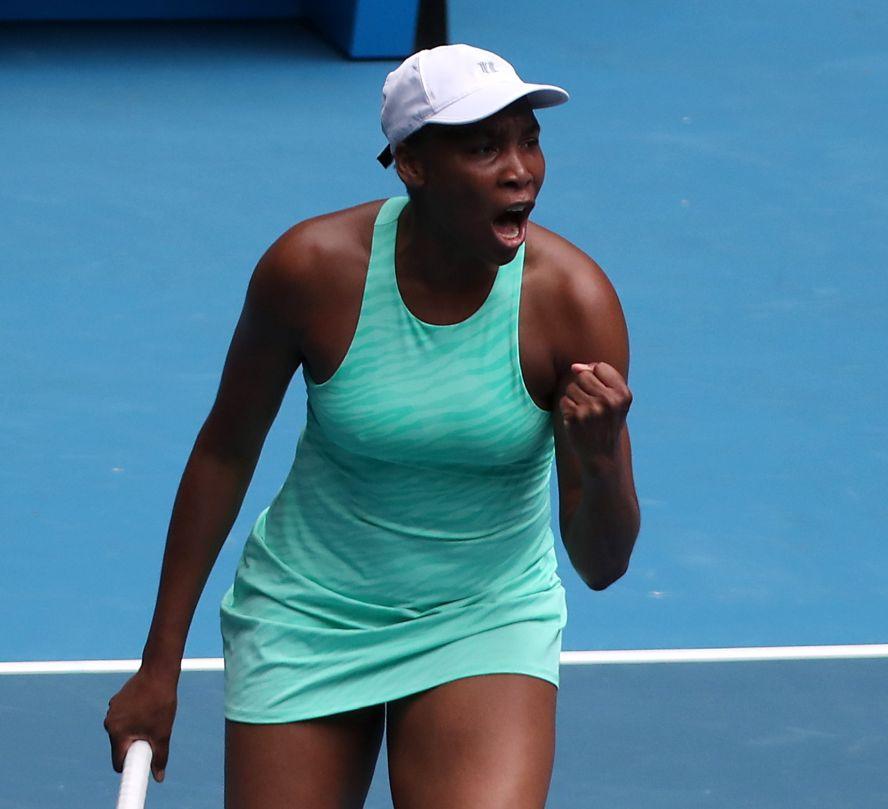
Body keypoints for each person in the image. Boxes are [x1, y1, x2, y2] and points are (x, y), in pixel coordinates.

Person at [103, 43, 640, 809]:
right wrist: (159, 667)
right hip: (309, 610)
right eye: (484, 146)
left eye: (529, 138)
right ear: (412, 165)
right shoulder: (311, 271)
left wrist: (603, 456)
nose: (520, 169)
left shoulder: (574, 304)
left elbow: (602, 564)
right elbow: (225, 452)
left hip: (482, 616)